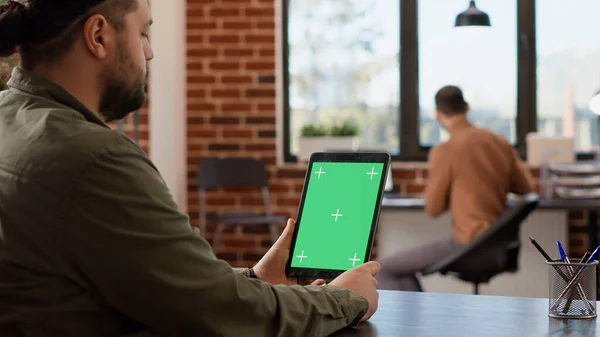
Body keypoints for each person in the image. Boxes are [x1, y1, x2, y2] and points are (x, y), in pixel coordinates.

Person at [0, 1, 380, 336]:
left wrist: (255, 278)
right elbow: (226, 316)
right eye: (143, 32)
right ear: (98, 35)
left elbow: (139, 282)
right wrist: (344, 299)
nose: (149, 53)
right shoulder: (95, 159)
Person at [376, 85, 533, 291]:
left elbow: (433, 208)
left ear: (438, 114)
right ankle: (419, 319)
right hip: (500, 247)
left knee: (382, 269)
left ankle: (417, 322)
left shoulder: (445, 150)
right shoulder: (499, 141)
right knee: (400, 272)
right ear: (466, 107)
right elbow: (525, 188)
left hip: (468, 246)